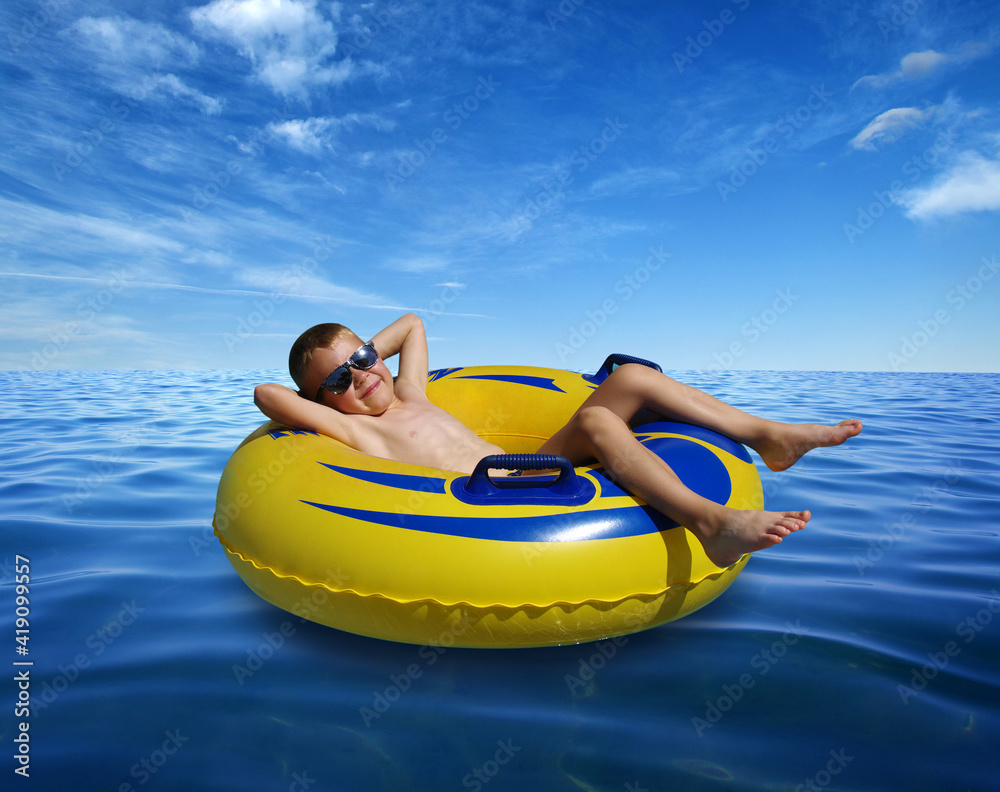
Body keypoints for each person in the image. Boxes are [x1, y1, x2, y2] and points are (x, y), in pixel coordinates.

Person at [254, 313, 862, 567]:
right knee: (600, 423)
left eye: (363, 358)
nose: (361, 376)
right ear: (321, 401)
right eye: (340, 378)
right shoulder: (353, 426)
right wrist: (323, 389)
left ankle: (768, 435)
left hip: (531, 464)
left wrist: (361, 354)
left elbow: (412, 323)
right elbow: (267, 396)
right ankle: (709, 521)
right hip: (490, 494)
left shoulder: (411, 392)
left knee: (630, 379)